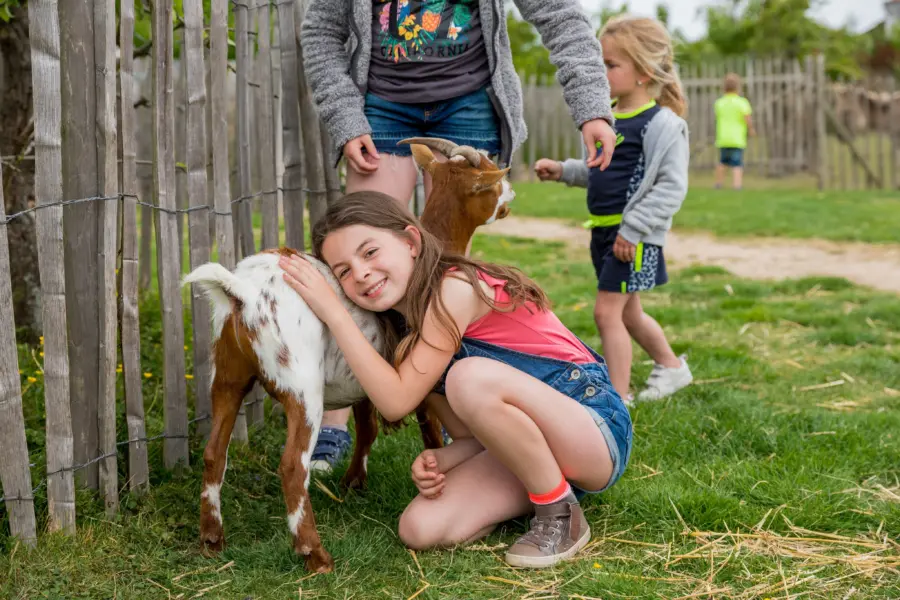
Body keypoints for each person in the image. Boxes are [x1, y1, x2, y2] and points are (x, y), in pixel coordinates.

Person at [300, 0, 621, 471]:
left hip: (469, 101)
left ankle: (456, 411)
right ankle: (336, 418)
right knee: (362, 255)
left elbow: (560, 15)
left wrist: (592, 108)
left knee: (446, 272)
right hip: (381, 104)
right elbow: (321, 32)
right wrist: (346, 118)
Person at [277, 191, 632, 568]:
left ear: (411, 242)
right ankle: (548, 485)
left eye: (370, 252)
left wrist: (334, 313)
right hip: (531, 451)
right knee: (419, 528)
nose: (361, 273)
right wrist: (445, 457)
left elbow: (395, 401)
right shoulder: (407, 335)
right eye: (343, 272)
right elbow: (471, 438)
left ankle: (560, 516)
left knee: (468, 377)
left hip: (593, 431)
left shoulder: (455, 289)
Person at [533, 15, 692, 403]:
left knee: (606, 314)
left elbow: (671, 187)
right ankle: (672, 367)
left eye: (610, 64)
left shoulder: (662, 125)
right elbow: (601, 173)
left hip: (631, 238)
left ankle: (616, 400)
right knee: (629, 314)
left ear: (643, 71)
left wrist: (633, 230)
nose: (600, 73)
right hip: (604, 232)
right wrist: (564, 171)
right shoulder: (607, 120)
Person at [714, 73, 755, 190]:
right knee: (737, 163)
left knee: (722, 161)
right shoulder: (742, 102)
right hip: (737, 137)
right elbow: (747, 117)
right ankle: (737, 185)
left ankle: (718, 183)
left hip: (723, 136)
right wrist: (751, 129)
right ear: (738, 87)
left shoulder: (719, 103)